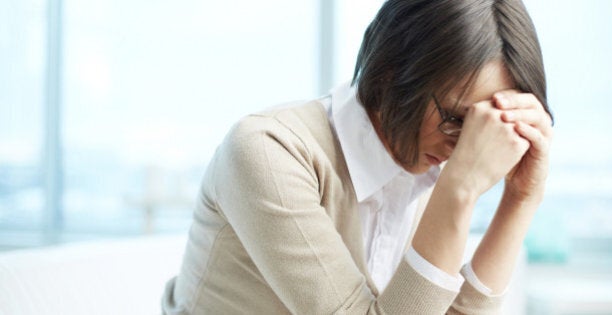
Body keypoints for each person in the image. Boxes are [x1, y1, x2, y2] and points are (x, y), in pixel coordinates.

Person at [162, 0, 554, 313]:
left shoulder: (420, 172)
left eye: (484, 127)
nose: (463, 149)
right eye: (455, 119)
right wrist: (460, 190)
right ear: (388, 73)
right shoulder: (268, 150)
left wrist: (520, 200)